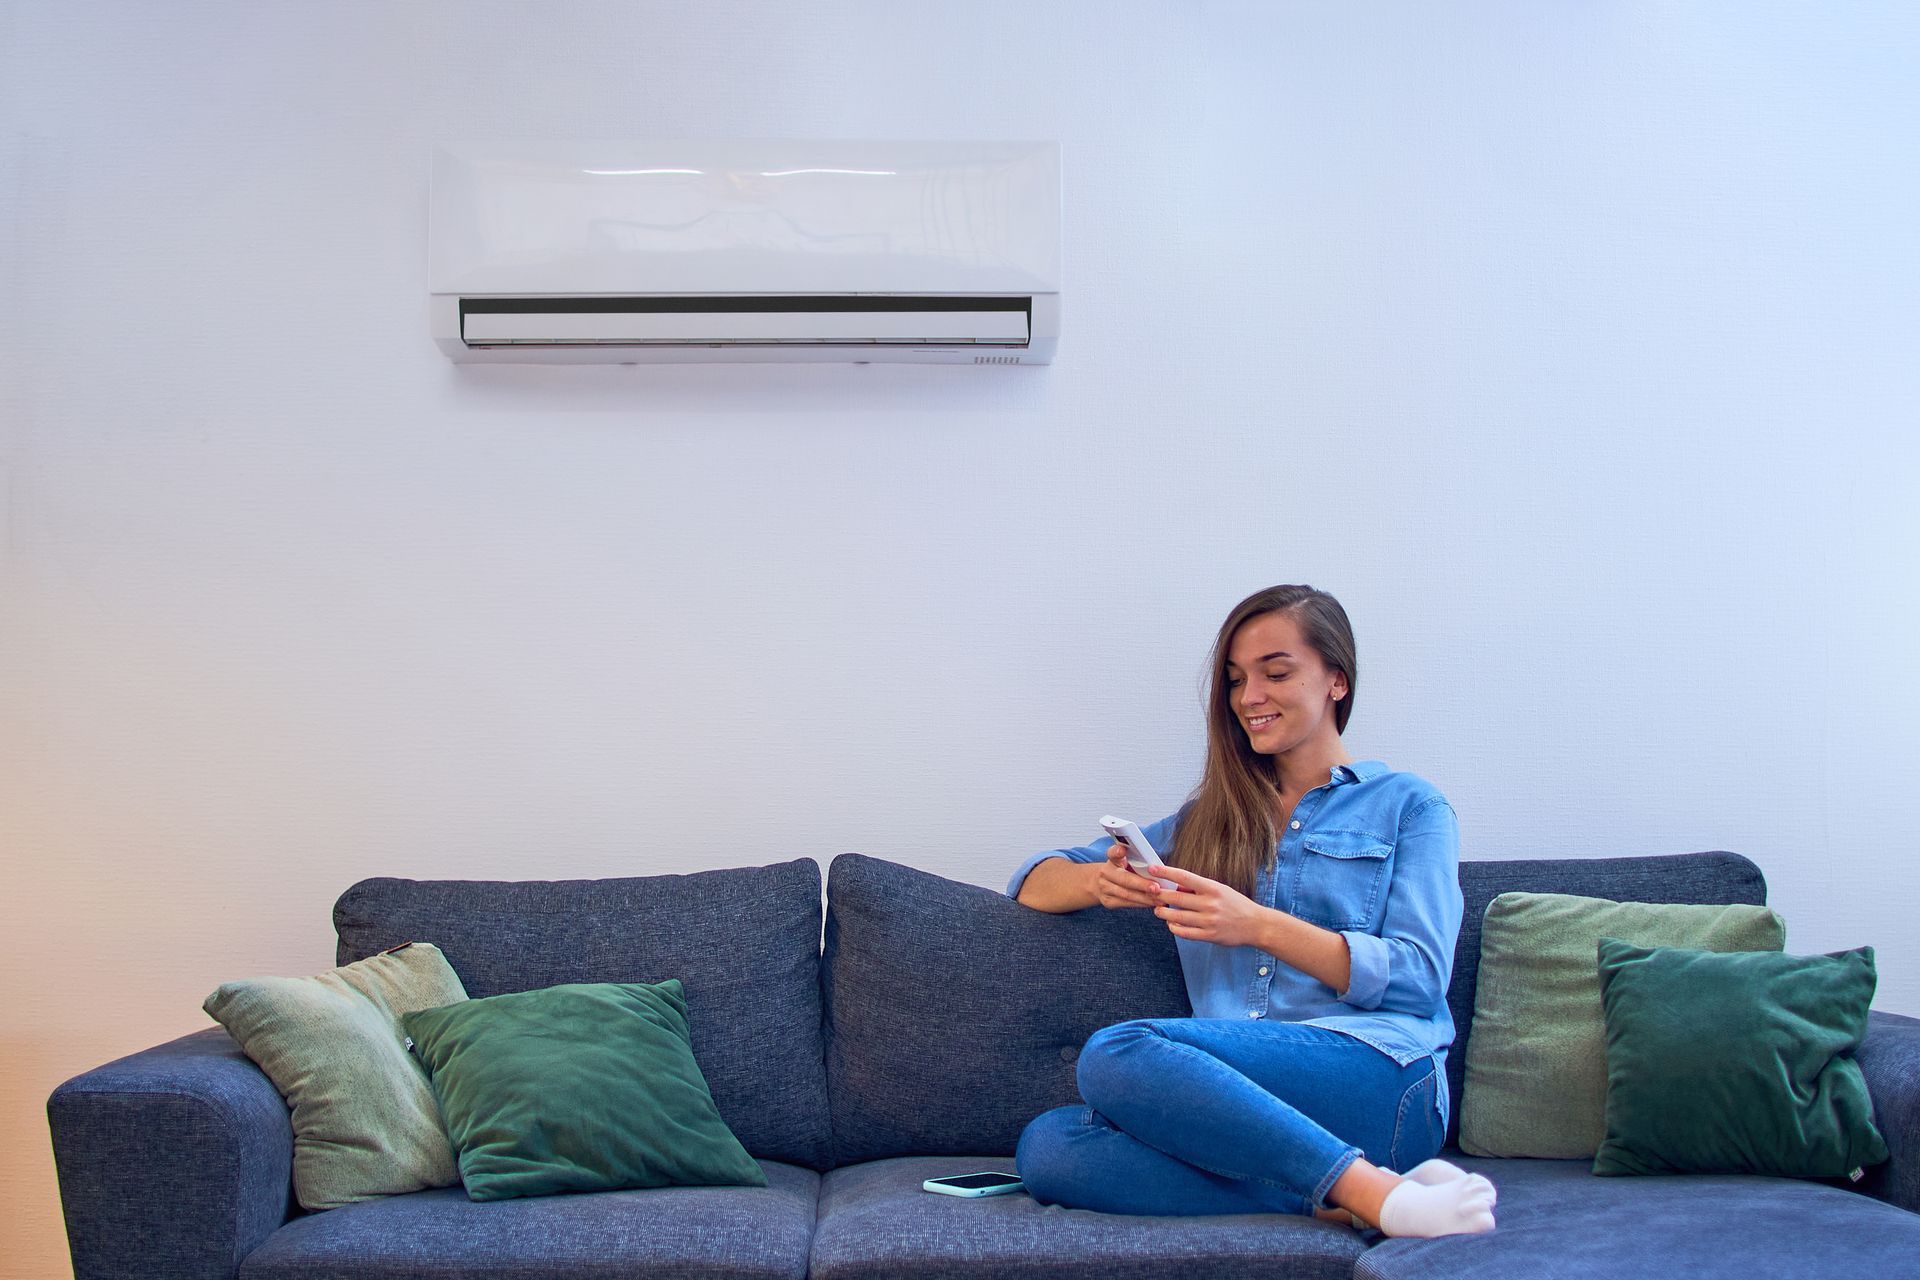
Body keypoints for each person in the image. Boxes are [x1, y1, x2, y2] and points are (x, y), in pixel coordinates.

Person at [1006, 584, 1496, 1237]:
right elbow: (1032, 881)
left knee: (1115, 1051)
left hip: (1381, 1078)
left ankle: (1371, 1191)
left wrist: (1256, 925)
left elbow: (1419, 977)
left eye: (1277, 672)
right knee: (1049, 1146)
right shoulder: (1209, 821)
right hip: (1243, 1096)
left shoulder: (1412, 807)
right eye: (1236, 680)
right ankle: (1347, 1197)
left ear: (1336, 682)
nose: (1250, 697)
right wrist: (1101, 882)